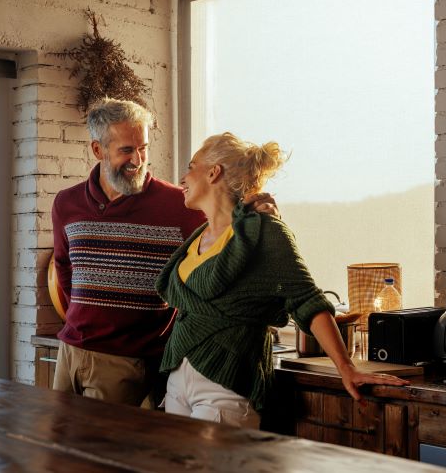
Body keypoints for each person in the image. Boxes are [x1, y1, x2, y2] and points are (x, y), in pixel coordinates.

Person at [156, 131, 410, 428]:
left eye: (190, 166)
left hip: (226, 384)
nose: (182, 178)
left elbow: (307, 300)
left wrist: (346, 367)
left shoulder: (264, 232)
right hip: (178, 378)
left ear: (214, 172)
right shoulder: (198, 237)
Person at [51, 99, 278, 406]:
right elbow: (64, 268)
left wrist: (256, 210)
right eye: (126, 150)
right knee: (60, 448)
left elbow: (226, 234)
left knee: (104, 451)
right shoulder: (66, 203)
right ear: (97, 150)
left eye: (142, 147)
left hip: (130, 361)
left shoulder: (179, 206)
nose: (138, 159)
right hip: (70, 351)